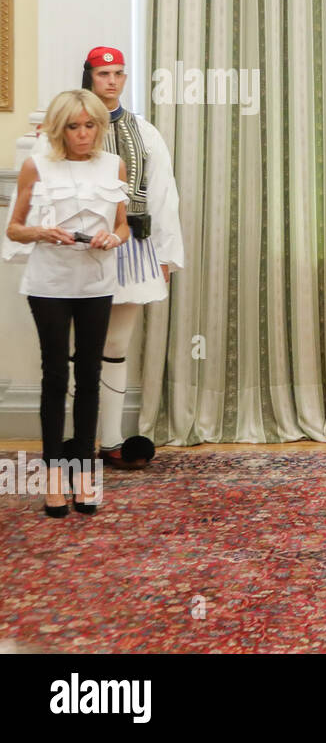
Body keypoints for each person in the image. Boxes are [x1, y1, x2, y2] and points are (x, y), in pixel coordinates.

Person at [33, 47, 185, 469]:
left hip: (132, 246)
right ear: (89, 76)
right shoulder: (65, 129)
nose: (112, 81)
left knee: (116, 344)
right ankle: (71, 441)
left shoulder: (144, 131)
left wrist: (166, 254)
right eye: (104, 73)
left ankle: (113, 440)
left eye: (119, 73)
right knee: (70, 348)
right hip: (76, 248)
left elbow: (163, 194)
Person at [4, 90, 129, 516]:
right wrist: (43, 232)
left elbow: (122, 227)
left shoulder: (113, 165)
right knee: (56, 375)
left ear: (99, 126)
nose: (82, 134)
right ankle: (55, 476)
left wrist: (115, 237)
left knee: (90, 375)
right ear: (60, 128)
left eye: (90, 125)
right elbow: (15, 230)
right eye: (74, 126)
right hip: (49, 283)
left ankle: (84, 475)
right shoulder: (36, 166)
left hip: (96, 281)